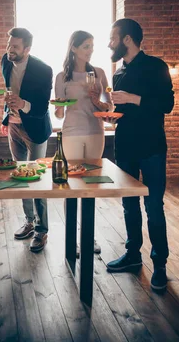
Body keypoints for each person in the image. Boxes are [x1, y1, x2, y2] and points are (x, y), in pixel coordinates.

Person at [105, 18, 174, 292]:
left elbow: (166, 105)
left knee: (154, 207)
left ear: (127, 39)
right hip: (125, 147)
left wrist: (132, 98)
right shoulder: (118, 73)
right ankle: (133, 256)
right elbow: (123, 115)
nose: (110, 42)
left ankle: (160, 265)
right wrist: (111, 116)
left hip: (152, 148)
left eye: (113, 37)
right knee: (129, 205)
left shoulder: (157, 66)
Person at [54, 30, 113, 254]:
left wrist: (97, 98)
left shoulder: (99, 73)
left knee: (91, 184)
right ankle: (73, 237)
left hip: (96, 132)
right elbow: (59, 115)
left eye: (92, 46)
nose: (91, 50)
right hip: (71, 133)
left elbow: (109, 106)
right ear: (74, 48)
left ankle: (88, 235)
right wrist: (59, 105)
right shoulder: (62, 77)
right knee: (71, 185)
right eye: (86, 46)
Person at [1, 27, 53, 252]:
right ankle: (29, 221)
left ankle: (42, 230)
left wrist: (22, 104)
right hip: (13, 127)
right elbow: (7, 90)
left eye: (15, 47)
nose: (9, 50)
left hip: (36, 129)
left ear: (27, 49)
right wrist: (7, 115)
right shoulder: (5, 61)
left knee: (37, 178)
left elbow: (42, 107)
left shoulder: (43, 70)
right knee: (21, 177)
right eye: (9, 45)